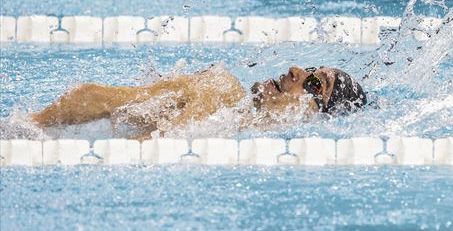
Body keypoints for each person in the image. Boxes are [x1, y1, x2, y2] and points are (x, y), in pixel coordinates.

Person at [30, 65, 367, 140]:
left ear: (311, 107)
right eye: (309, 69)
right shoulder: (226, 92)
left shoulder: (235, 117)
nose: (295, 69)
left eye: (312, 82)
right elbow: (94, 97)